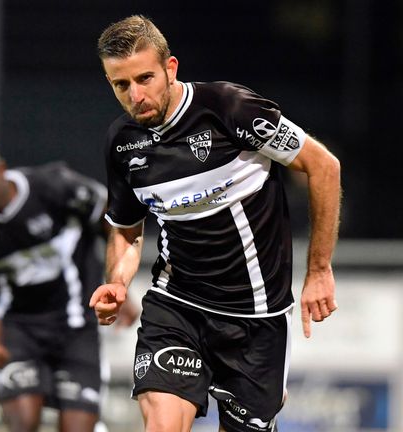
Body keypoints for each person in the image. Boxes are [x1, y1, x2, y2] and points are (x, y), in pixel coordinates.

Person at [88, 15, 341, 432]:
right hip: (177, 306)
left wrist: (318, 270)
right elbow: (127, 229)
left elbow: (323, 166)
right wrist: (117, 280)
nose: (136, 94)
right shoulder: (122, 142)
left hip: (256, 317)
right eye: (121, 85)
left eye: (145, 78)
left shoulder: (229, 109)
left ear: (171, 68)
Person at [0, 133, 129, 432]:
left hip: (75, 326)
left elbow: (114, 220)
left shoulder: (55, 187)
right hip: (17, 330)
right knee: (23, 424)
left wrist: (118, 281)